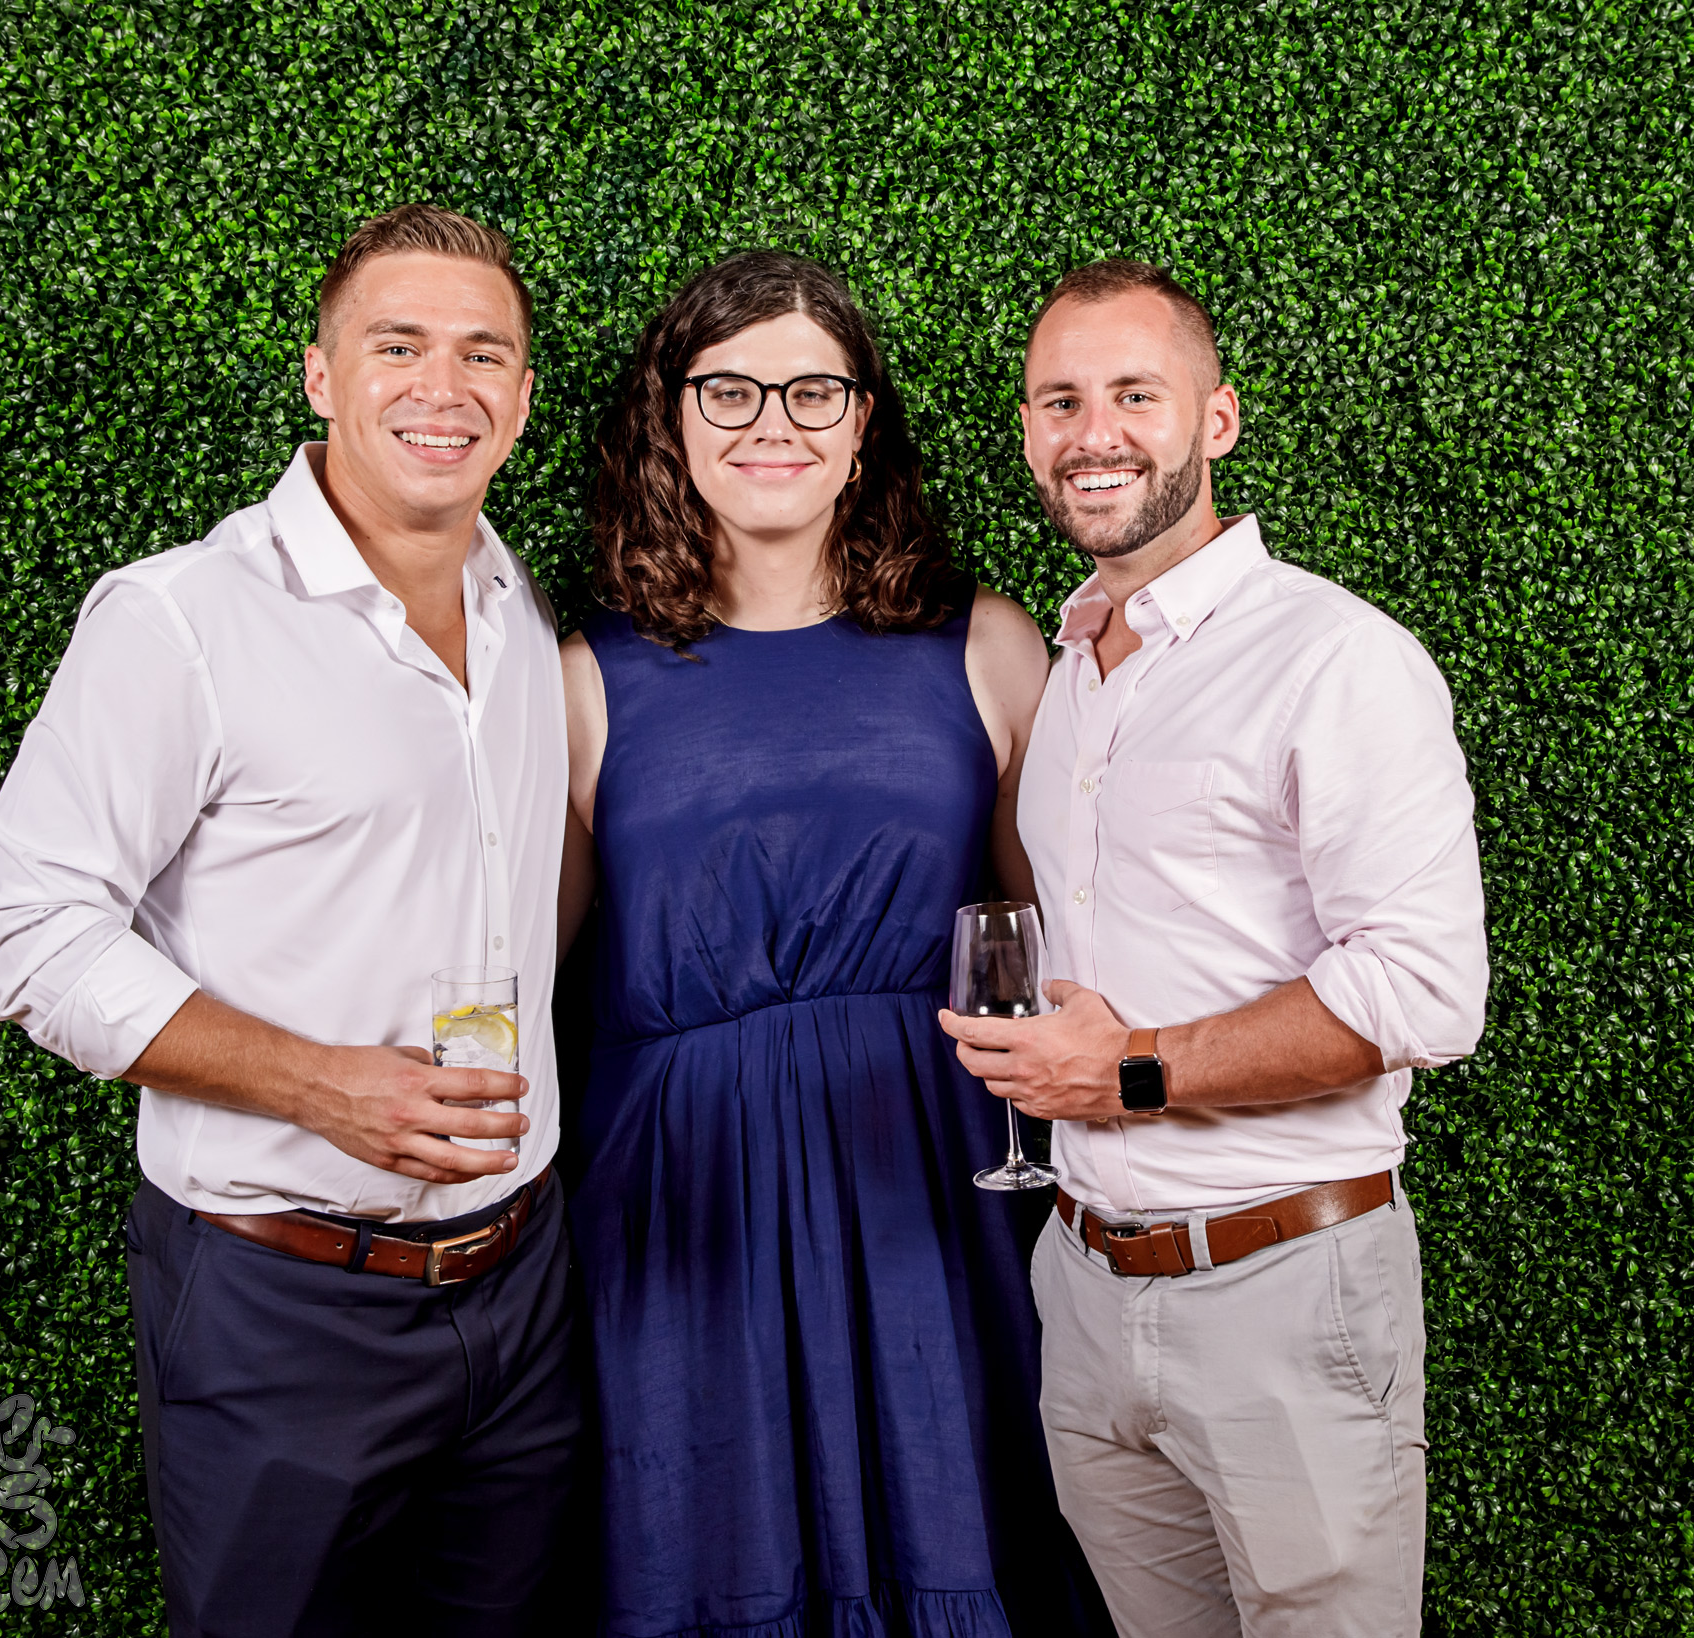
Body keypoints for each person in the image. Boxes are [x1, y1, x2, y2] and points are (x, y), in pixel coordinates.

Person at [0, 204, 577, 1638]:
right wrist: (319, 1084)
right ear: (320, 374)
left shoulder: (518, 607)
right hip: (281, 1303)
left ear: (524, 394)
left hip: (525, 1287)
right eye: (397, 345)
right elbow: (20, 929)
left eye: (483, 353)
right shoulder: (180, 619)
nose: (443, 386)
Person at [558, 250, 1110, 1638]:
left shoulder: (987, 647)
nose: (773, 423)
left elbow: (1072, 942)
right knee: (710, 1555)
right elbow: (519, 969)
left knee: (961, 1524)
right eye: (729, 389)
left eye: (813, 389)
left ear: (863, 421)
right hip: (681, 1210)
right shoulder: (580, 677)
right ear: (671, 419)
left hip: (937, 1183)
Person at [939, 258, 1490, 1637]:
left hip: (1284, 1287)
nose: (1096, 432)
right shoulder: (1072, 664)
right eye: (1061, 400)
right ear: (1028, 431)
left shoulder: (1334, 658)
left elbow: (1426, 991)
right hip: (1084, 1280)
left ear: (1218, 419)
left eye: (1137, 394)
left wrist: (1128, 1070)